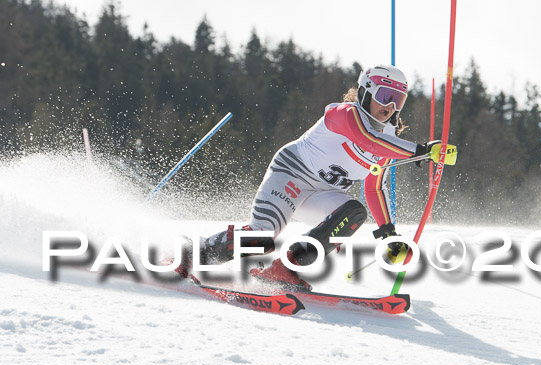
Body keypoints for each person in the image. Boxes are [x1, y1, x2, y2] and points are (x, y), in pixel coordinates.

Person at [179, 64, 457, 291]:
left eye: (398, 101)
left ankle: (284, 269)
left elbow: (374, 189)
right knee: (261, 239)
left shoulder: (389, 141)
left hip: (321, 195)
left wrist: (389, 236)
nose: (391, 107)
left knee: (354, 213)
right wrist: (421, 151)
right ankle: (189, 257)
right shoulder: (342, 114)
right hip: (291, 176)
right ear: (365, 92)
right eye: (385, 97)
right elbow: (367, 140)